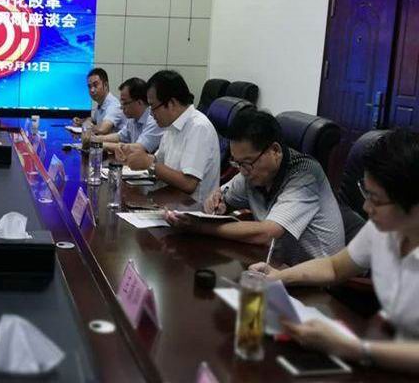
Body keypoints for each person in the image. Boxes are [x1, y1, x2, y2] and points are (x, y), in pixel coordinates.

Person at [249, 129, 419, 375]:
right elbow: (334, 267)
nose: (365, 207)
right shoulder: (382, 230)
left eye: (376, 199)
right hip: (388, 358)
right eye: (365, 192)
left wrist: (356, 349)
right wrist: (278, 277)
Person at [168, 110, 344, 265]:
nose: (243, 172)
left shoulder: (306, 175)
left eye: (247, 163)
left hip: (316, 277)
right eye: (237, 163)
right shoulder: (252, 171)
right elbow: (223, 196)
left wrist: (201, 227)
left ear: (275, 150)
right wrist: (217, 202)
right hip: (274, 263)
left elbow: (267, 233)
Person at [118, 70, 220, 203]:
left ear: (171, 103)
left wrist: (149, 163)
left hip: (191, 208)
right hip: (168, 200)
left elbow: (189, 184)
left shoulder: (199, 127)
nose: (151, 114)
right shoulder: (171, 125)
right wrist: (135, 154)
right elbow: (159, 160)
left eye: (153, 107)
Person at [86, 77, 163, 153]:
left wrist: (98, 145)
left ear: (139, 102)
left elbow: (137, 148)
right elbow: (119, 136)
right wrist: (95, 139)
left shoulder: (154, 121)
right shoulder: (133, 118)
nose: (121, 107)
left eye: (125, 103)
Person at [71, 67, 126, 135]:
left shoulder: (114, 106)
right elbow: (93, 120)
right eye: (89, 86)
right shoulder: (101, 104)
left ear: (105, 85)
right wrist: (81, 121)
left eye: (95, 85)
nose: (92, 90)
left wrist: (85, 126)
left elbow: (102, 129)